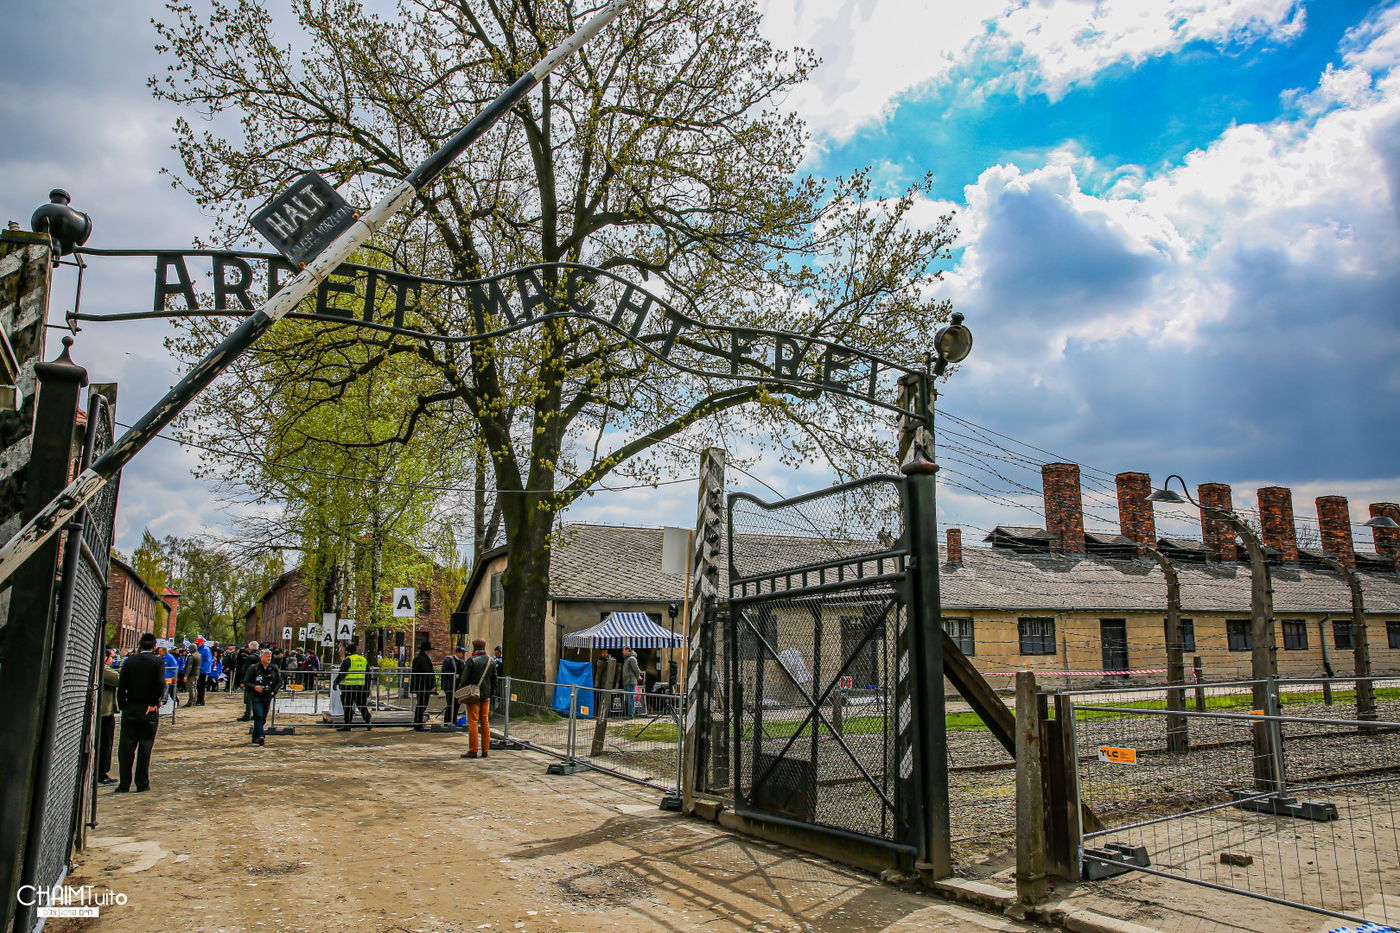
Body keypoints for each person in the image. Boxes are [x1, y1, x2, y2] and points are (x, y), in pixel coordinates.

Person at [116, 633, 165, 792]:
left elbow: (121, 684)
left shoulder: (130, 661)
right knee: (145, 746)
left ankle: (124, 784)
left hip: (131, 706)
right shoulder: (158, 661)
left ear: (140, 645)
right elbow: (160, 683)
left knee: (126, 746)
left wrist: (123, 704)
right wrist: (153, 702)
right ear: (155, 646)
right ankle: (142, 783)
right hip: (148, 708)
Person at [458, 639, 496, 759]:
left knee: (473, 721)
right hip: (486, 695)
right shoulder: (491, 661)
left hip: (473, 695)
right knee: (485, 721)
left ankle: (473, 749)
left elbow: (464, 679)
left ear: (474, 647)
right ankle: (485, 750)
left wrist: (460, 691)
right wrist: (491, 692)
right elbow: (494, 679)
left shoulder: (471, 661)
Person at [244, 649, 282, 746]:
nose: (269, 658)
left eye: (270, 656)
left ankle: (255, 736)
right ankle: (261, 735)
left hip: (268, 695)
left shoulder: (274, 668)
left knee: (263, 717)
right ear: (261, 657)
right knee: (259, 715)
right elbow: (246, 681)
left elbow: (279, 681)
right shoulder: (254, 667)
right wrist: (254, 687)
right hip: (256, 696)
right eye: (266, 656)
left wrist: (274, 691)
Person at [334, 641, 371, 730]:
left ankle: (347, 724)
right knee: (361, 705)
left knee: (347, 706)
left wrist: (336, 682)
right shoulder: (363, 659)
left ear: (347, 651)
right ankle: (368, 722)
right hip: (360, 687)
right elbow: (368, 675)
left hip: (348, 687)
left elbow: (342, 673)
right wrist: (367, 688)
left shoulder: (348, 660)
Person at [98, 648, 119, 785]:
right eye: (112, 657)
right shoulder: (103, 669)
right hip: (104, 712)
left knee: (106, 743)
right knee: (105, 743)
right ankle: (101, 773)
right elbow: (118, 679)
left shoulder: (100, 668)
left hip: (106, 711)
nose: (114, 660)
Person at [411, 641, 436, 731]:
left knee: (421, 704)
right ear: (427, 650)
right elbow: (428, 673)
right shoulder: (423, 659)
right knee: (422, 705)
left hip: (420, 685)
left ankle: (418, 723)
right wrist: (432, 685)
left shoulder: (419, 658)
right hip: (423, 686)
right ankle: (418, 724)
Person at [441, 645, 466, 724]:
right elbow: (444, 671)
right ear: (458, 653)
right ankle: (447, 721)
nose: (463, 655)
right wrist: (453, 675)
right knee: (450, 704)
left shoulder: (462, 662)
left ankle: (453, 720)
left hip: (458, 687)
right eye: (462, 653)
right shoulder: (449, 660)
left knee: (456, 705)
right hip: (450, 686)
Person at [236, 641, 260, 721]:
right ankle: (256, 714)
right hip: (259, 679)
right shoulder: (260, 656)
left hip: (250, 680)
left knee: (249, 698)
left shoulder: (250, 658)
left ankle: (247, 714)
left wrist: (243, 681)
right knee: (257, 698)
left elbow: (245, 670)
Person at [620, 646, 642, 717]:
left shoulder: (632, 659)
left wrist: (638, 676)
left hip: (630, 681)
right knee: (628, 698)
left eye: (623, 650)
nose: (622, 652)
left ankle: (631, 714)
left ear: (627, 650)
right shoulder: (627, 659)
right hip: (627, 681)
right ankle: (633, 712)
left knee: (630, 698)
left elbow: (636, 669)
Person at [196, 637, 213, 705]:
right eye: (196, 643)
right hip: (198, 670)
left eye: (198, 643)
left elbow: (208, 661)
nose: (197, 644)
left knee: (201, 686)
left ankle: (201, 700)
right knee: (198, 686)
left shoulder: (206, 650)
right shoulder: (197, 649)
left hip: (203, 671)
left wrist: (201, 668)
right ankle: (198, 700)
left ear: (202, 643)